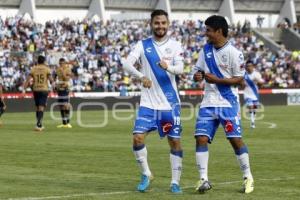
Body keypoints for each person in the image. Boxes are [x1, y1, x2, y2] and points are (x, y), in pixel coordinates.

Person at [122, 9, 184, 193]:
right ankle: (146, 173)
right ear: (151, 24)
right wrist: (141, 76)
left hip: (170, 103)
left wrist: (169, 67)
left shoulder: (175, 45)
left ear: (168, 24)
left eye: (163, 23)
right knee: (137, 138)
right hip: (148, 103)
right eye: (157, 23)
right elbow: (126, 63)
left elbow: (180, 69)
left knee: (175, 142)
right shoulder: (143, 45)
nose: (160, 26)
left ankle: (175, 182)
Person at [192, 15, 254, 194]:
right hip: (208, 103)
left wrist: (217, 79)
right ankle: (203, 179)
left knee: (235, 140)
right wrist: (197, 76)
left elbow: (239, 79)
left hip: (227, 102)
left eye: (209, 30)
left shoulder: (235, 53)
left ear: (219, 31)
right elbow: (198, 70)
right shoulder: (205, 50)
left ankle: (248, 177)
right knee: (200, 138)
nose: (206, 34)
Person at [23, 55, 54, 131]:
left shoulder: (33, 69)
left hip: (35, 89)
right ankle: (39, 124)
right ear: (44, 61)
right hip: (44, 89)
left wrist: (24, 89)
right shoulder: (47, 69)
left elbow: (28, 80)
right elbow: (51, 80)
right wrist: (53, 85)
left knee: (37, 107)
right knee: (41, 107)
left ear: (38, 61)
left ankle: (38, 123)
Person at [242, 61, 264, 128]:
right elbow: (241, 85)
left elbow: (261, 84)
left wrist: (258, 81)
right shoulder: (243, 74)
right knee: (251, 107)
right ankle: (252, 123)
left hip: (255, 94)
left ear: (253, 66)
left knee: (254, 108)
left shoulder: (257, 74)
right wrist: (243, 84)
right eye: (247, 66)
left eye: (250, 66)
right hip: (247, 94)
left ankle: (252, 120)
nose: (249, 67)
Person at [55, 58, 73, 128]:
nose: (60, 65)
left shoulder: (68, 69)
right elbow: (57, 79)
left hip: (65, 89)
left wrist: (62, 72)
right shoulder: (57, 70)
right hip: (60, 89)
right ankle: (64, 123)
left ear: (65, 63)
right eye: (60, 63)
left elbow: (67, 79)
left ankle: (68, 122)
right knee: (61, 105)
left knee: (66, 105)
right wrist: (56, 86)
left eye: (62, 63)